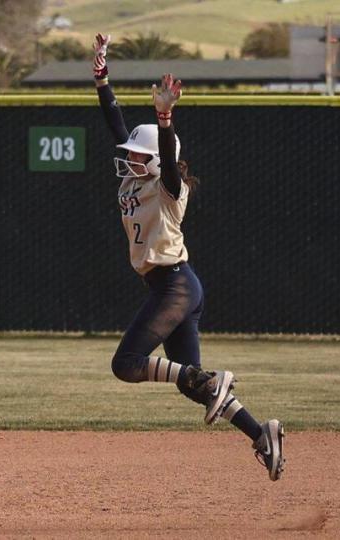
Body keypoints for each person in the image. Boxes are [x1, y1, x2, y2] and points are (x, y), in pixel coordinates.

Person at [93, 34, 285, 480]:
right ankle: (262, 433)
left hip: (175, 286)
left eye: (140, 158)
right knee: (194, 386)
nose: (130, 160)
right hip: (176, 285)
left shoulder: (167, 187)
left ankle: (214, 381)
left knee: (126, 365)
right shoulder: (135, 179)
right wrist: (101, 75)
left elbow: (161, 151)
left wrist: (164, 117)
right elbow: (116, 124)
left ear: (158, 161)